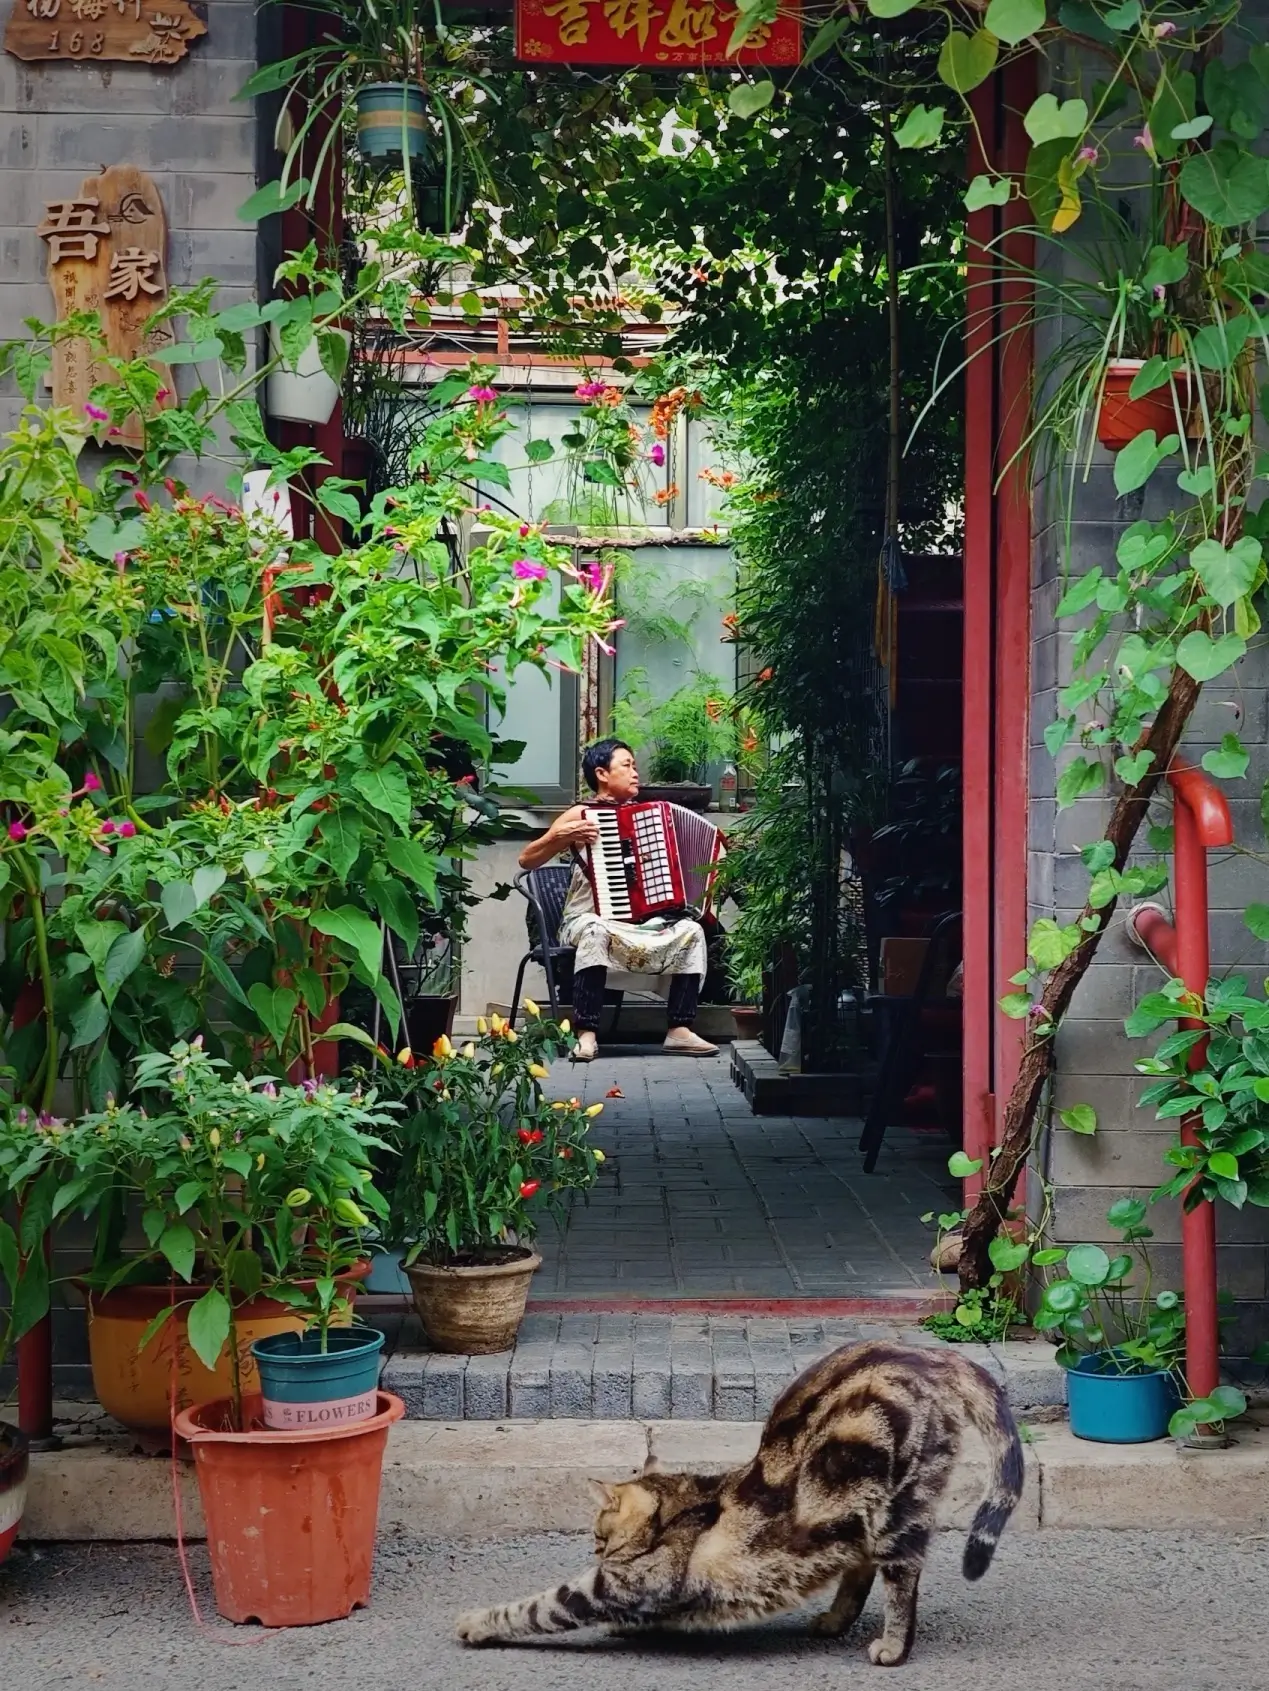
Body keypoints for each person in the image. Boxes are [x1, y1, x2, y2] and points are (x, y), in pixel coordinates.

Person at [518, 738, 719, 1063]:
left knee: (689, 931)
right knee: (596, 930)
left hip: (637, 924)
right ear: (601, 773)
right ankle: (587, 1035)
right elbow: (526, 860)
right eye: (627, 766)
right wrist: (562, 836)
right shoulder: (581, 813)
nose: (635, 773)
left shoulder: (651, 816)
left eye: (635, 766)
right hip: (584, 920)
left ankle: (679, 1030)